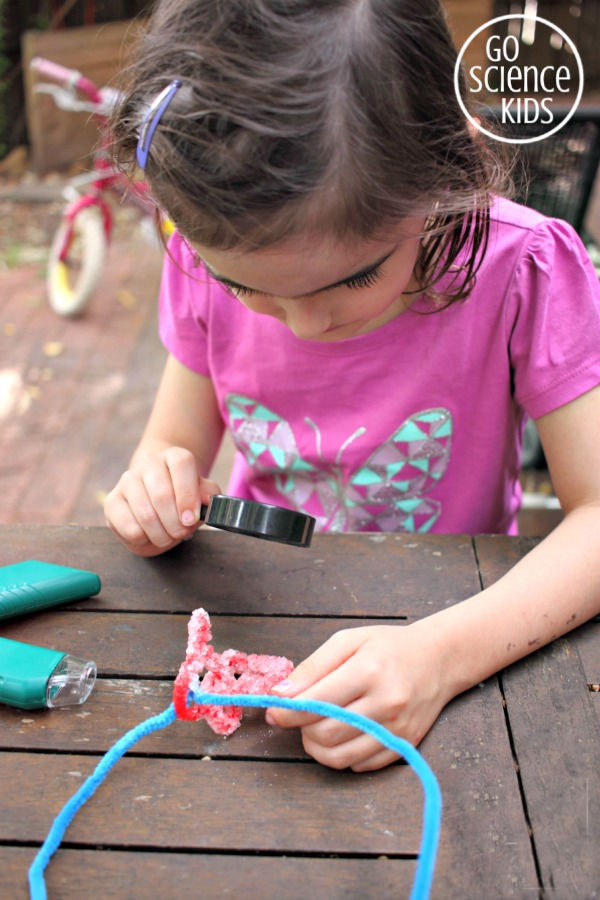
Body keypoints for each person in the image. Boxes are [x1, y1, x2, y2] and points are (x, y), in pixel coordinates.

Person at [104, 0, 600, 771]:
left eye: (357, 275)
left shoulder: (523, 271)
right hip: (260, 611)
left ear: (451, 172)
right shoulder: (203, 258)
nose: (302, 327)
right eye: (244, 287)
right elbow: (171, 441)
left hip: (455, 622)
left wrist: (439, 658)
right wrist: (153, 484)